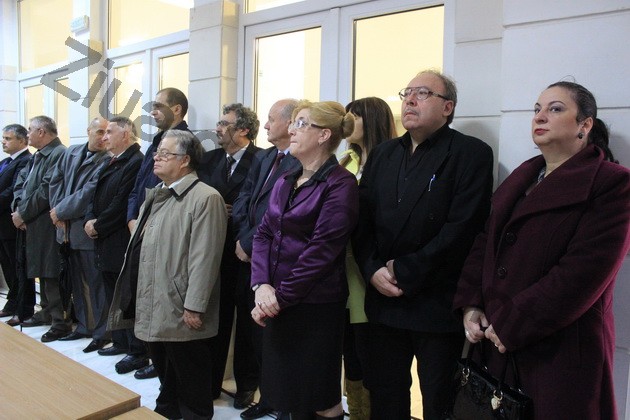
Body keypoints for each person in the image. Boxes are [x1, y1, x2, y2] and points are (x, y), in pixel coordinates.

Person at [453, 81, 630, 419]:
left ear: (584, 125)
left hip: (559, 350)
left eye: (555, 109)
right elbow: (485, 242)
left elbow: (583, 273)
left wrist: (512, 322)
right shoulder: (524, 176)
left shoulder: (611, 183)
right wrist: (471, 304)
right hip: (496, 342)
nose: (540, 116)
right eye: (537, 109)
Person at [353, 70, 494, 420]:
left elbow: (463, 229)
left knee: (438, 402)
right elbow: (361, 221)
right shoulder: (384, 153)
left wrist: (404, 270)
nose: (410, 100)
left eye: (423, 93)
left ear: (448, 107)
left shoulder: (470, 153)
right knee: (385, 400)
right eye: (407, 93)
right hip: (384, 300)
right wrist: (371, 269)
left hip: (436, 301)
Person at [250, 100, 358, 420]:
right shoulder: (286, 178)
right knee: (286, 393)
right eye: (293, 122)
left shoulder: (341, 183)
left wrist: (277, 299)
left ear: (324, 135)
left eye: (301, 123)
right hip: (276, 299)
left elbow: (321, 252)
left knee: (318, 396)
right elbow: (263, 234)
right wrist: (261, 285)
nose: (292, 130)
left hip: (314, 306)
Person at [110, 130, 227, 419]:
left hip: (181, 304)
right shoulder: (157, 194)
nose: (156, 158)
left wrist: (195, 305)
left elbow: (205, 257)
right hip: (154, 297)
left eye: (165, 153)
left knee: (191, 375)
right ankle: (167, 410)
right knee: (166, 369)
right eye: (157, 152)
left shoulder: (205, 198)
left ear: (185, 160)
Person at [232, 98, 300, 420]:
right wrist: (243, 238)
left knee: (274, 336)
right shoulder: (264, 157)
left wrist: (249, 243)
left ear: (289, 123)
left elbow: (278, 213)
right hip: (248, 254)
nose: (267, 125)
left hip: (274, 259)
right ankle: (258, 391)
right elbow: (245, 198)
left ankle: (278, 399)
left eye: (272, 119)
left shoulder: (298, 161)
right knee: (251, 332)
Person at [197, 103, 261, 408]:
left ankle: (246, 385)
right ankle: (210, 382)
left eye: (225, 124)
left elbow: (262, 204)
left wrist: (237, 213)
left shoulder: (262, 159)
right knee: (215, 318)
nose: (218, 129)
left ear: (243, 130)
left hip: (246, 252)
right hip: (212, 250)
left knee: (247, 324)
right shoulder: (208, 160)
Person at [125, 87, 191, 379]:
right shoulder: (155, 141)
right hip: (139, 225)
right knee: (140, 292)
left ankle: (157, 359)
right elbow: (139, 185)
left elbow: (174, 191)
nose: (152, 111)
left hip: (160, 229)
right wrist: (132, 217)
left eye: (158, 105)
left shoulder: (185, 142)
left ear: (176, 109)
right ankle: (143, 351)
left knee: (159, 295)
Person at [340, 97, 397, 420]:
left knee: (370, 354)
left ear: (372, 120)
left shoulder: (390, 161)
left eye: (355, 115)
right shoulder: (345, 160)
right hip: (341, 271)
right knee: (350, 353)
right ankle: (356, 411)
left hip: (371, 271)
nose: (347, 120)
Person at [84, 117, 143, 360]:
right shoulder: (111, 160)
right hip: (104, 237)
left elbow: (122, 203)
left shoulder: (135, 162)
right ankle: (120, 341)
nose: (104, 137)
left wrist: (98, 225)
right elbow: (94, 195)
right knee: (111, 292)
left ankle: (136, 349)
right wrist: (89, 218)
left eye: (110, 132)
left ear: (125, 135)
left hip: (118, 237)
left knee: (126, 295)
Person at [49, 117, 110, 352]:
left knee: (96, 285)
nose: (103, 137)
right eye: (99, 131)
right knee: (76, 283)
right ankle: (84, 326)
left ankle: (101, 332)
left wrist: (60, 211)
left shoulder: (107, 160)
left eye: (107, 132)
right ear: (88, 131)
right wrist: (57, 211)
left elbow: (88, 192)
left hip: (85, 230)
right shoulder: (71, 152)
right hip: (65, 229)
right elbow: (55, 181)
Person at [11, 115, 70, 342]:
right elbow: (21, 184)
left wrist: (22, 214)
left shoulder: (59, 153)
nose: (27, 134)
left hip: (46, 223)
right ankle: (46, 312)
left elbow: (46, 190)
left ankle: (59, 322)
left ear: (42, 132)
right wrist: (18, 209)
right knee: (41, 270)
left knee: (50, 271)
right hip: (33, 222)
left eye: (30, 130)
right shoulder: (38, 155)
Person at [0, 124, 31, 323]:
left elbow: (12, 191)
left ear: (21, 140)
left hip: (12, 223)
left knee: (18, 266)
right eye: (3, 138)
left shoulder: (25, 160)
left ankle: (22, 307)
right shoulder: (5, 162)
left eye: (8, 138)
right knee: (7, 266)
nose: (3, 142)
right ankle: (12, 302)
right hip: (2, 225)